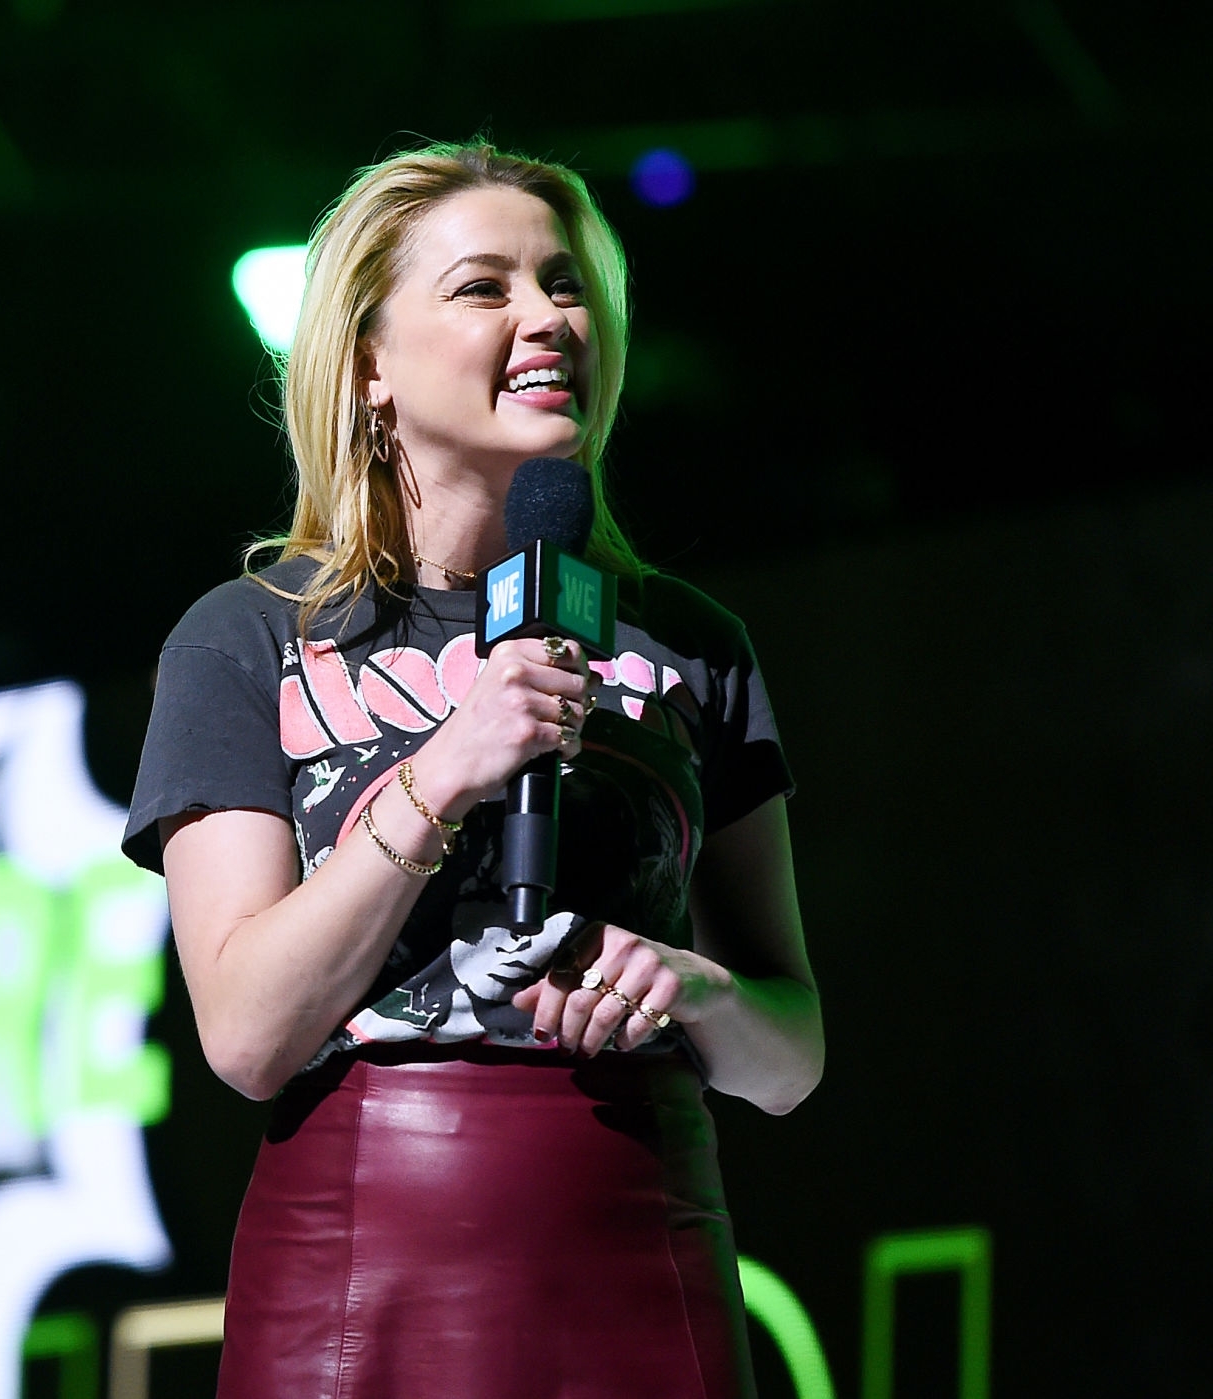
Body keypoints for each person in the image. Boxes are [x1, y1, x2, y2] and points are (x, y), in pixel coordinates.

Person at [121, 142, 823, 1399]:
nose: (546, 316)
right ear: (369, 365)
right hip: (358, 1262)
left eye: (562, 285)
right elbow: (244, 1031)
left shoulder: (690, 644)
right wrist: (446, 768)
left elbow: (791, 1054)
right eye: (482, 288)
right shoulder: (244, 638)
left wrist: (690, 988)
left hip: (637, 1237)